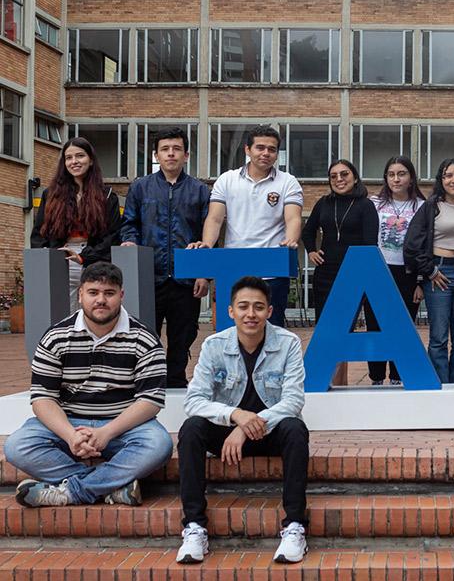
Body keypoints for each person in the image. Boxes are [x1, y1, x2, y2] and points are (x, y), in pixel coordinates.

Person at [4, 262, 171, 508]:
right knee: (17, 446)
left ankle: (71, 492)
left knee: (159, 445)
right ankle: (111, 488)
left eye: (109, 293)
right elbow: (42, 398)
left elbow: (150, 401)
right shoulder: (56, 337)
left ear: (121, 295)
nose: (101, 300)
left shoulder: (144, 338)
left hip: (123, 427)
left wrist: (107, 432)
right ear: (80, 294)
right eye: (93, 292)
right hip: (68, 423)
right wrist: (70, 435)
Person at [177, 276, 309, 564]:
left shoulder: (288, 343)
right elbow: (193, 401)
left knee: (295, 428)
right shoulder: (214, 345)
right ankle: (194, 526)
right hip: (225, 436)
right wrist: (235, 416)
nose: (251, 314)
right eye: (243, 306)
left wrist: (247, 427)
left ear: (270, 311)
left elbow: (293, 401)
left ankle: (295, 526)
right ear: (230, 311)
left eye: (259, 307)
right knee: (191, 428)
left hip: (269, 434)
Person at [120, 127, 211, 388]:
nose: (171, 154)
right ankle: (149, 382)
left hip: (186, 279)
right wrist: (130, 241)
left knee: (184, 334)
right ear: (156, 155)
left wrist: (204, 274)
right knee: (145, 334)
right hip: (149, 276)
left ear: (186, 155)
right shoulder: (140, 188)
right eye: (165, 149)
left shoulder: (200, 191)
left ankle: (176, 381)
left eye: (177, 149)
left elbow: (208, 235)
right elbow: (130, 223)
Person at [190, 125, 303, 328]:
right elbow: (215, 219)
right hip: (234, 270)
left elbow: (293, 218)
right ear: (247, 150)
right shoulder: (227, 179)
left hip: (272, 271)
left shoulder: (288, 182)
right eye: (260, 147)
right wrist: (207, 244)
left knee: (272, 331)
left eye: (272, 149)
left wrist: (291, 239)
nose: (266, 153)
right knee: (231, 331)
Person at [404, 158, 454, 384]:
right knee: (438, 336)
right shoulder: (431, 206)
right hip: (439, 273)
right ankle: (441, 386)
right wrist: (430, 271)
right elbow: (412, 244)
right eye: (448, 175)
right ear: (441, 179)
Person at [30, 137, 122, 313]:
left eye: (80, 156)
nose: (74, 161)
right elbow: (39, 233)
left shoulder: (107, 195)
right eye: (69, 158)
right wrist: (47, 258)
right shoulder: (51, 194)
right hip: (61, 260)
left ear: (91, 160)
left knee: (95, 313)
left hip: (95, 261)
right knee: (61, 315)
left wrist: (83, 257)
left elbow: (113, 236)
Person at [365, 156, 424, 386]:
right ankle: (377, 378)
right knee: (375, 325)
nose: (396, 179)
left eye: (401, 174)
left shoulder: (422, 206)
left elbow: (425, 246)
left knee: (403, 327)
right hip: (378, 271)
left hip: (408, 274)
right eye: (391, 174)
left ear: (411, 178)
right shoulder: (374, 203)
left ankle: (398, 377)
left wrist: (420, 281)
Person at [301, 159, 379, 321]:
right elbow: (308, 231)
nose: (339, 179)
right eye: (333, 176)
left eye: (344, 174)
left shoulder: (366, 205)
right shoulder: (323, 203)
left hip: (353, 272)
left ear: (355, 178)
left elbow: (370, 244)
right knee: (324, 323)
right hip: (325, 272)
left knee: (345, 323)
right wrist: (311, 251)